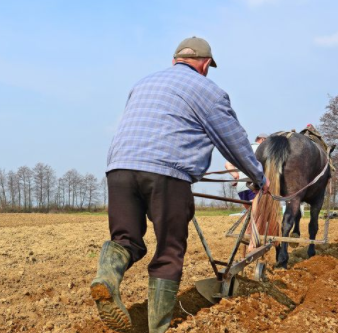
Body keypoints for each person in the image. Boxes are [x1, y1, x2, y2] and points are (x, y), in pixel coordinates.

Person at [90, 36, 270, 333]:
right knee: (169, 250)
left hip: (118, 169)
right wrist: (260, 178)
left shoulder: (143, 83)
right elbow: (234, 141)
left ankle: (107, 279)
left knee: (127, 240)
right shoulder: (208, 90)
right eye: (209, 66)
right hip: (167, 174)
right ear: (204, 64)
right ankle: (157, 328)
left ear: (175, 60)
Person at [224, 133, 267, 212]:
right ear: (263, 140)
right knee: (257, 215)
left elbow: (228, 165)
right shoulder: (263, 149)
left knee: (250, 215)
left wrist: (236, 176)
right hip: (254, 186)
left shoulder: (242, 150)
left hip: (241, 187)